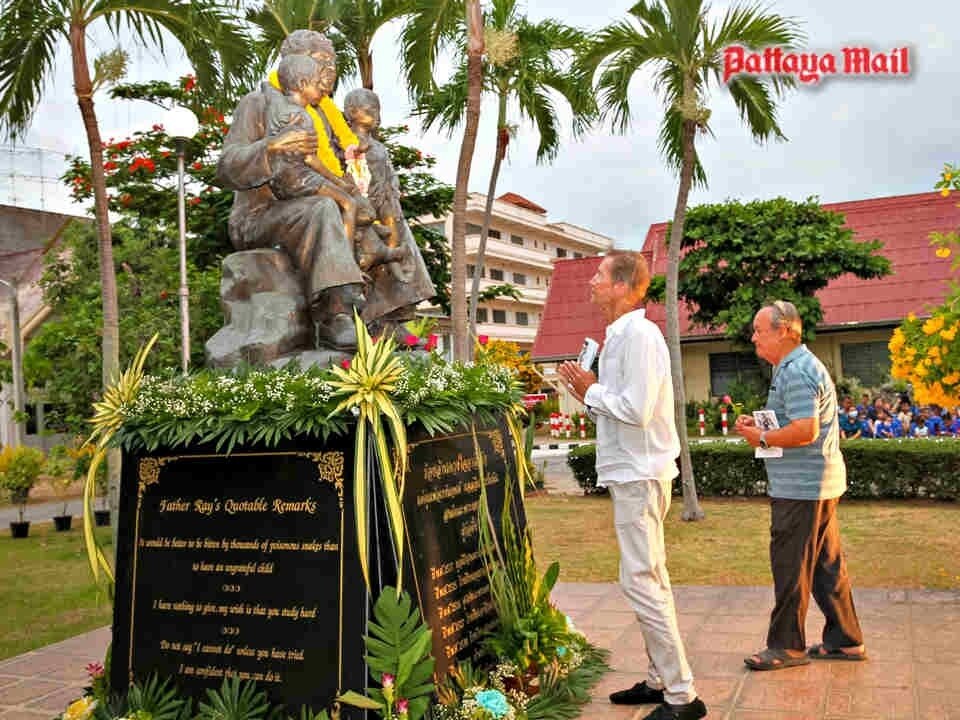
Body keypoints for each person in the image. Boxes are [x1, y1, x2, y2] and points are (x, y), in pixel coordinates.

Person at [216, 30, 434, 351]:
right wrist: (271, 147)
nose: (328, 75)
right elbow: (227, 166)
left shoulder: (325, 114)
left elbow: (332, 166)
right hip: (263, 214)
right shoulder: (259, 103)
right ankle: (336, 314)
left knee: (387, 215)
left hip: (313, 194)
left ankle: (388, 318)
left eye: (332, 67)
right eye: (320, 65)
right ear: (294, 65)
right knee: (324, 208)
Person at [558, 251, 706, 720]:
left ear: (623, 285)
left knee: (641, 580)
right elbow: (618, 407)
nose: (591, 284)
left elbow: (638, 409)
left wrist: (591, 389)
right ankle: (661, 678)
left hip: (640, 474)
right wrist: (590, 391)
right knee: (649, 577)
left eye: (599, 277)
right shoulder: (622, 336)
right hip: (632, 471)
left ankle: (682, 696)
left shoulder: (639, 335)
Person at [734, 300, 866, 671]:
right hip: (817, 484)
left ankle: (787, 646)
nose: (754, 337)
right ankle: (845, 640)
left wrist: (761, 438)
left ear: (785, 331)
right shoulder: (795, 367)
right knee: (825, 565)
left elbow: (805, 430)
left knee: (790, 566)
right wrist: (760, 428)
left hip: (803, 489)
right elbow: (798, 422)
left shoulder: (795, 370)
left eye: (760, 330)